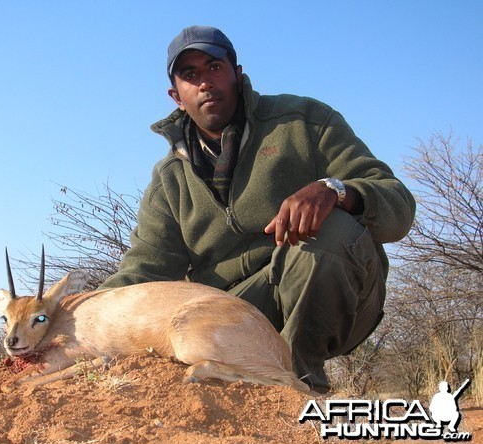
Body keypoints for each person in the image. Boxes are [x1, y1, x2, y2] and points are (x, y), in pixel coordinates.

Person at [99, 25, 416, 392]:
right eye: (190, 75)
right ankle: (246, 387)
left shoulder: (304, 121)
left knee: (331, 233)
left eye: (215, 67)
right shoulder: (169, 178)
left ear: (237, 73)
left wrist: (335, 190)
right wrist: (64, 316)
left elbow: (399, 206)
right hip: (232, 315)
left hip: (333, 295)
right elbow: (143, 272)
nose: (204, 82)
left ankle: (299, 389)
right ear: (176, 96)